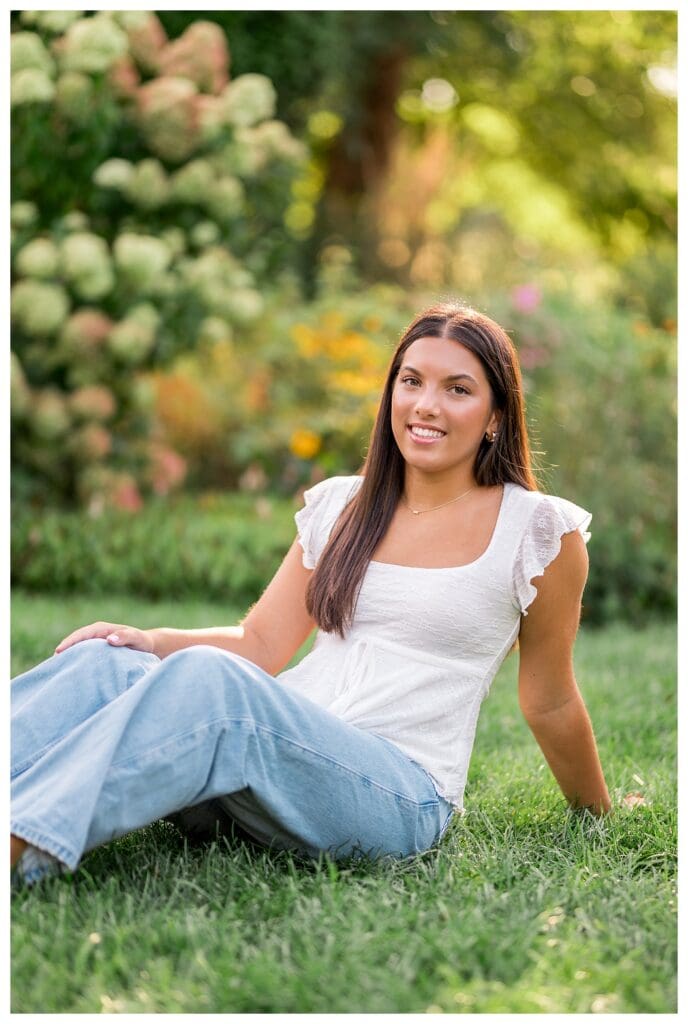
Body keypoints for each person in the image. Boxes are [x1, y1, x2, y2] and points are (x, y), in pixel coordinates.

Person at [11, 302, 611, 886]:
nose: (426, 405)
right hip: (271, 766)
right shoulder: (343, 505)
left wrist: (599, 816)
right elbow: (261, 640)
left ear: (496, 416)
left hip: (397, 793)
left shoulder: (537, 530)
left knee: (213, 685)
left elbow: (549, 700)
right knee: (105, 663)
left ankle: (21, 841)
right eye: (411, 381)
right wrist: (146, 641)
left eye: (458, 389)